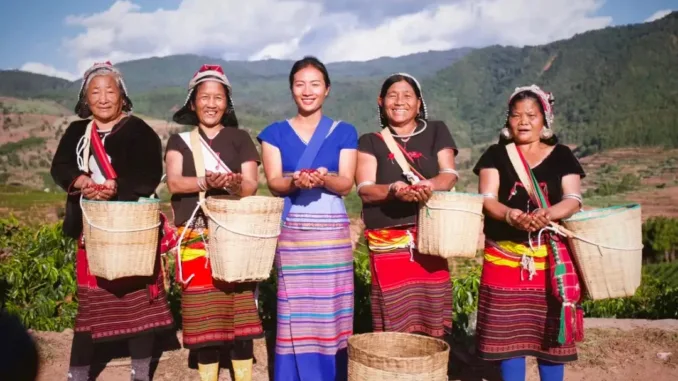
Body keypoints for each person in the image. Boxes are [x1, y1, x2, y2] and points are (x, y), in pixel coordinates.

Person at [50, 61, 174, 381]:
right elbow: (60, 166)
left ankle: (140, 371)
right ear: (85, 98)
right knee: (91, 304)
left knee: (138, 302)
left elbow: (148, 174)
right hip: (91, 229)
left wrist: (116, 187)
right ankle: (78, 373)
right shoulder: (77, 132)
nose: (103, 98)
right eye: (96, 91)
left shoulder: (139, 131)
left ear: (122, 97)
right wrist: (80, 182)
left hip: (130, 227)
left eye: (110, 91)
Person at [473, 85, 585, 381]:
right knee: (508, 339)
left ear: (544, 119)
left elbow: (573, 199)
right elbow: (486, 199)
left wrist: (547, 214)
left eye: (531, 115)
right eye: (516, 115)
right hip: (504, 256)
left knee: (550, 337)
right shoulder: (495, 155)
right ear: (507, 120)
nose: (523, 121)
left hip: (549, 258)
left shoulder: (562, 155)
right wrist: (510, 215)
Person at [258, 56, 357, 381]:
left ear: (327, 89)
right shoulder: (273, 133)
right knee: (295, 311)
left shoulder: (344, 132)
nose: (307, 90)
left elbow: (345, 183)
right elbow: (274, 183)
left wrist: (324, 179)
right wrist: (295, 181)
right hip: (294, 237)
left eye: (315, 84)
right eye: (300, 84)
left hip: (332, 240)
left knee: (332, 311)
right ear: (291, 89)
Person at [165, 64, 263, 381]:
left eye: (218, 97)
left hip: (235, 238)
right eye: (204, 97)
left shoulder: (240, 138)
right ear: (192, 103)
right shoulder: (178, 141)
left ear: (227, 102)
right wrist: (207, 182)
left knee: (240, 317)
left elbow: (251, 184)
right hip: (196, 239)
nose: (211, 103)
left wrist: (234, 184)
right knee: (204, 318)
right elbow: (176, 183)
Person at [355, 73, 458, 338]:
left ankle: (431, 370)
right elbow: (365, 189)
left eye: (407, 95)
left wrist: (427, 187)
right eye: (392, 95)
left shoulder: (437, 130)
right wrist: (393, 190)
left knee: (432, 315)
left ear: (419, 102)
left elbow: (448, 175)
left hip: (430, 239)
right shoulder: (369, 141)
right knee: (393, 319)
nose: (399, 101)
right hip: (388, 243)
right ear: (381, 101)